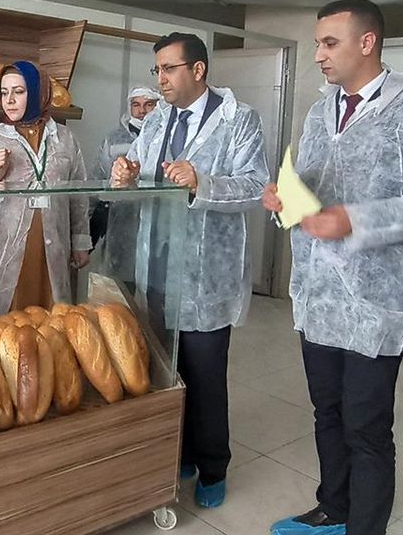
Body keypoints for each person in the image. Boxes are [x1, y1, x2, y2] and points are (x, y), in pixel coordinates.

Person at [262, 0, 403, 535]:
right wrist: (285, 199)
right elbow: (310, 183)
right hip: (318, 291)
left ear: (367, 42)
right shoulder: (319, 110)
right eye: (317, 44)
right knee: (326, 411)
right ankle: (334, 507)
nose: (319, 55)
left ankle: (365, 527)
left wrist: (356, 220)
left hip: (378, 299)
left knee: (366, 425)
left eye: (329, 43)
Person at [110, 32, 269, 509]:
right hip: (155, 265)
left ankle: (213, 466)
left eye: (169, 68)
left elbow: (256, 185)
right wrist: (127, 174)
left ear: (198, 70)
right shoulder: (157, 120)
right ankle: (176, 454)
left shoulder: (239, 120)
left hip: (206, 273)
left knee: (204, 375)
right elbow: (142, 170)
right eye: (156, 69)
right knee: (164, 370)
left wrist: (204, 182)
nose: (160, 79)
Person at [0, 60, 90, 315]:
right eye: (4, 92)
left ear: (39, 93)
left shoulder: (64, 139)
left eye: (19, 91)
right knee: (5, 323)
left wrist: (80, 242)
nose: (9, 100)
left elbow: (78, 195)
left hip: (52, 249)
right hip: (3, 253)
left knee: (51, 321)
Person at [92, 86, 161, 283]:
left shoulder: (165, 136)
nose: (141, 110)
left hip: (156, 220)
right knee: (119, 284)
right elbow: (99, 178)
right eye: (136, 105)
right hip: (120, 221)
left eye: (149, 104)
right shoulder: (114, 139)